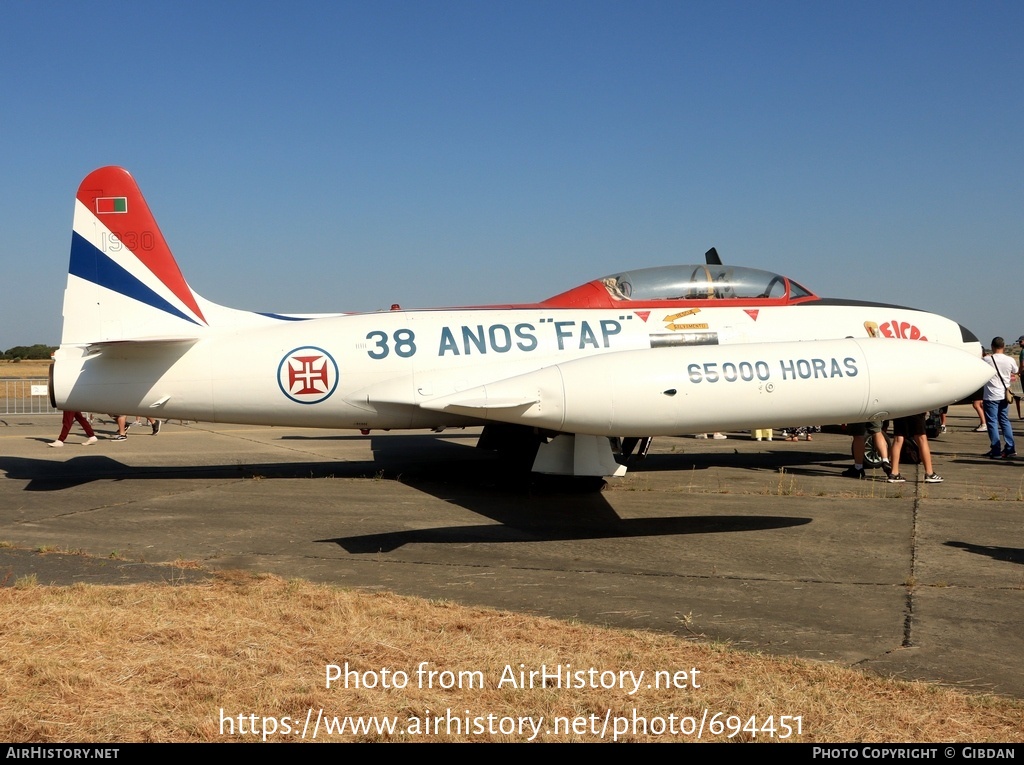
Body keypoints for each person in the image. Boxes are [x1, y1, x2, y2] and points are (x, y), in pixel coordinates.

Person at [982, 337, 1017, 459]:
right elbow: (1015, 370)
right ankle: (1010, 448)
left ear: (992, 346)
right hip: (1004, 394)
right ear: (1004, 346)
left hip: (991, 394)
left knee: (992, 422)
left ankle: (995, 449)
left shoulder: (986, 360)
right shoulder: (1010, 359)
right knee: (1005, 421)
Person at [887, 413, 942, 483]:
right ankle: (929, 473)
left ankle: (894, 473)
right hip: (915, 409)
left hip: (900, 408)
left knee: (898, 439)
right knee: (921, 438)